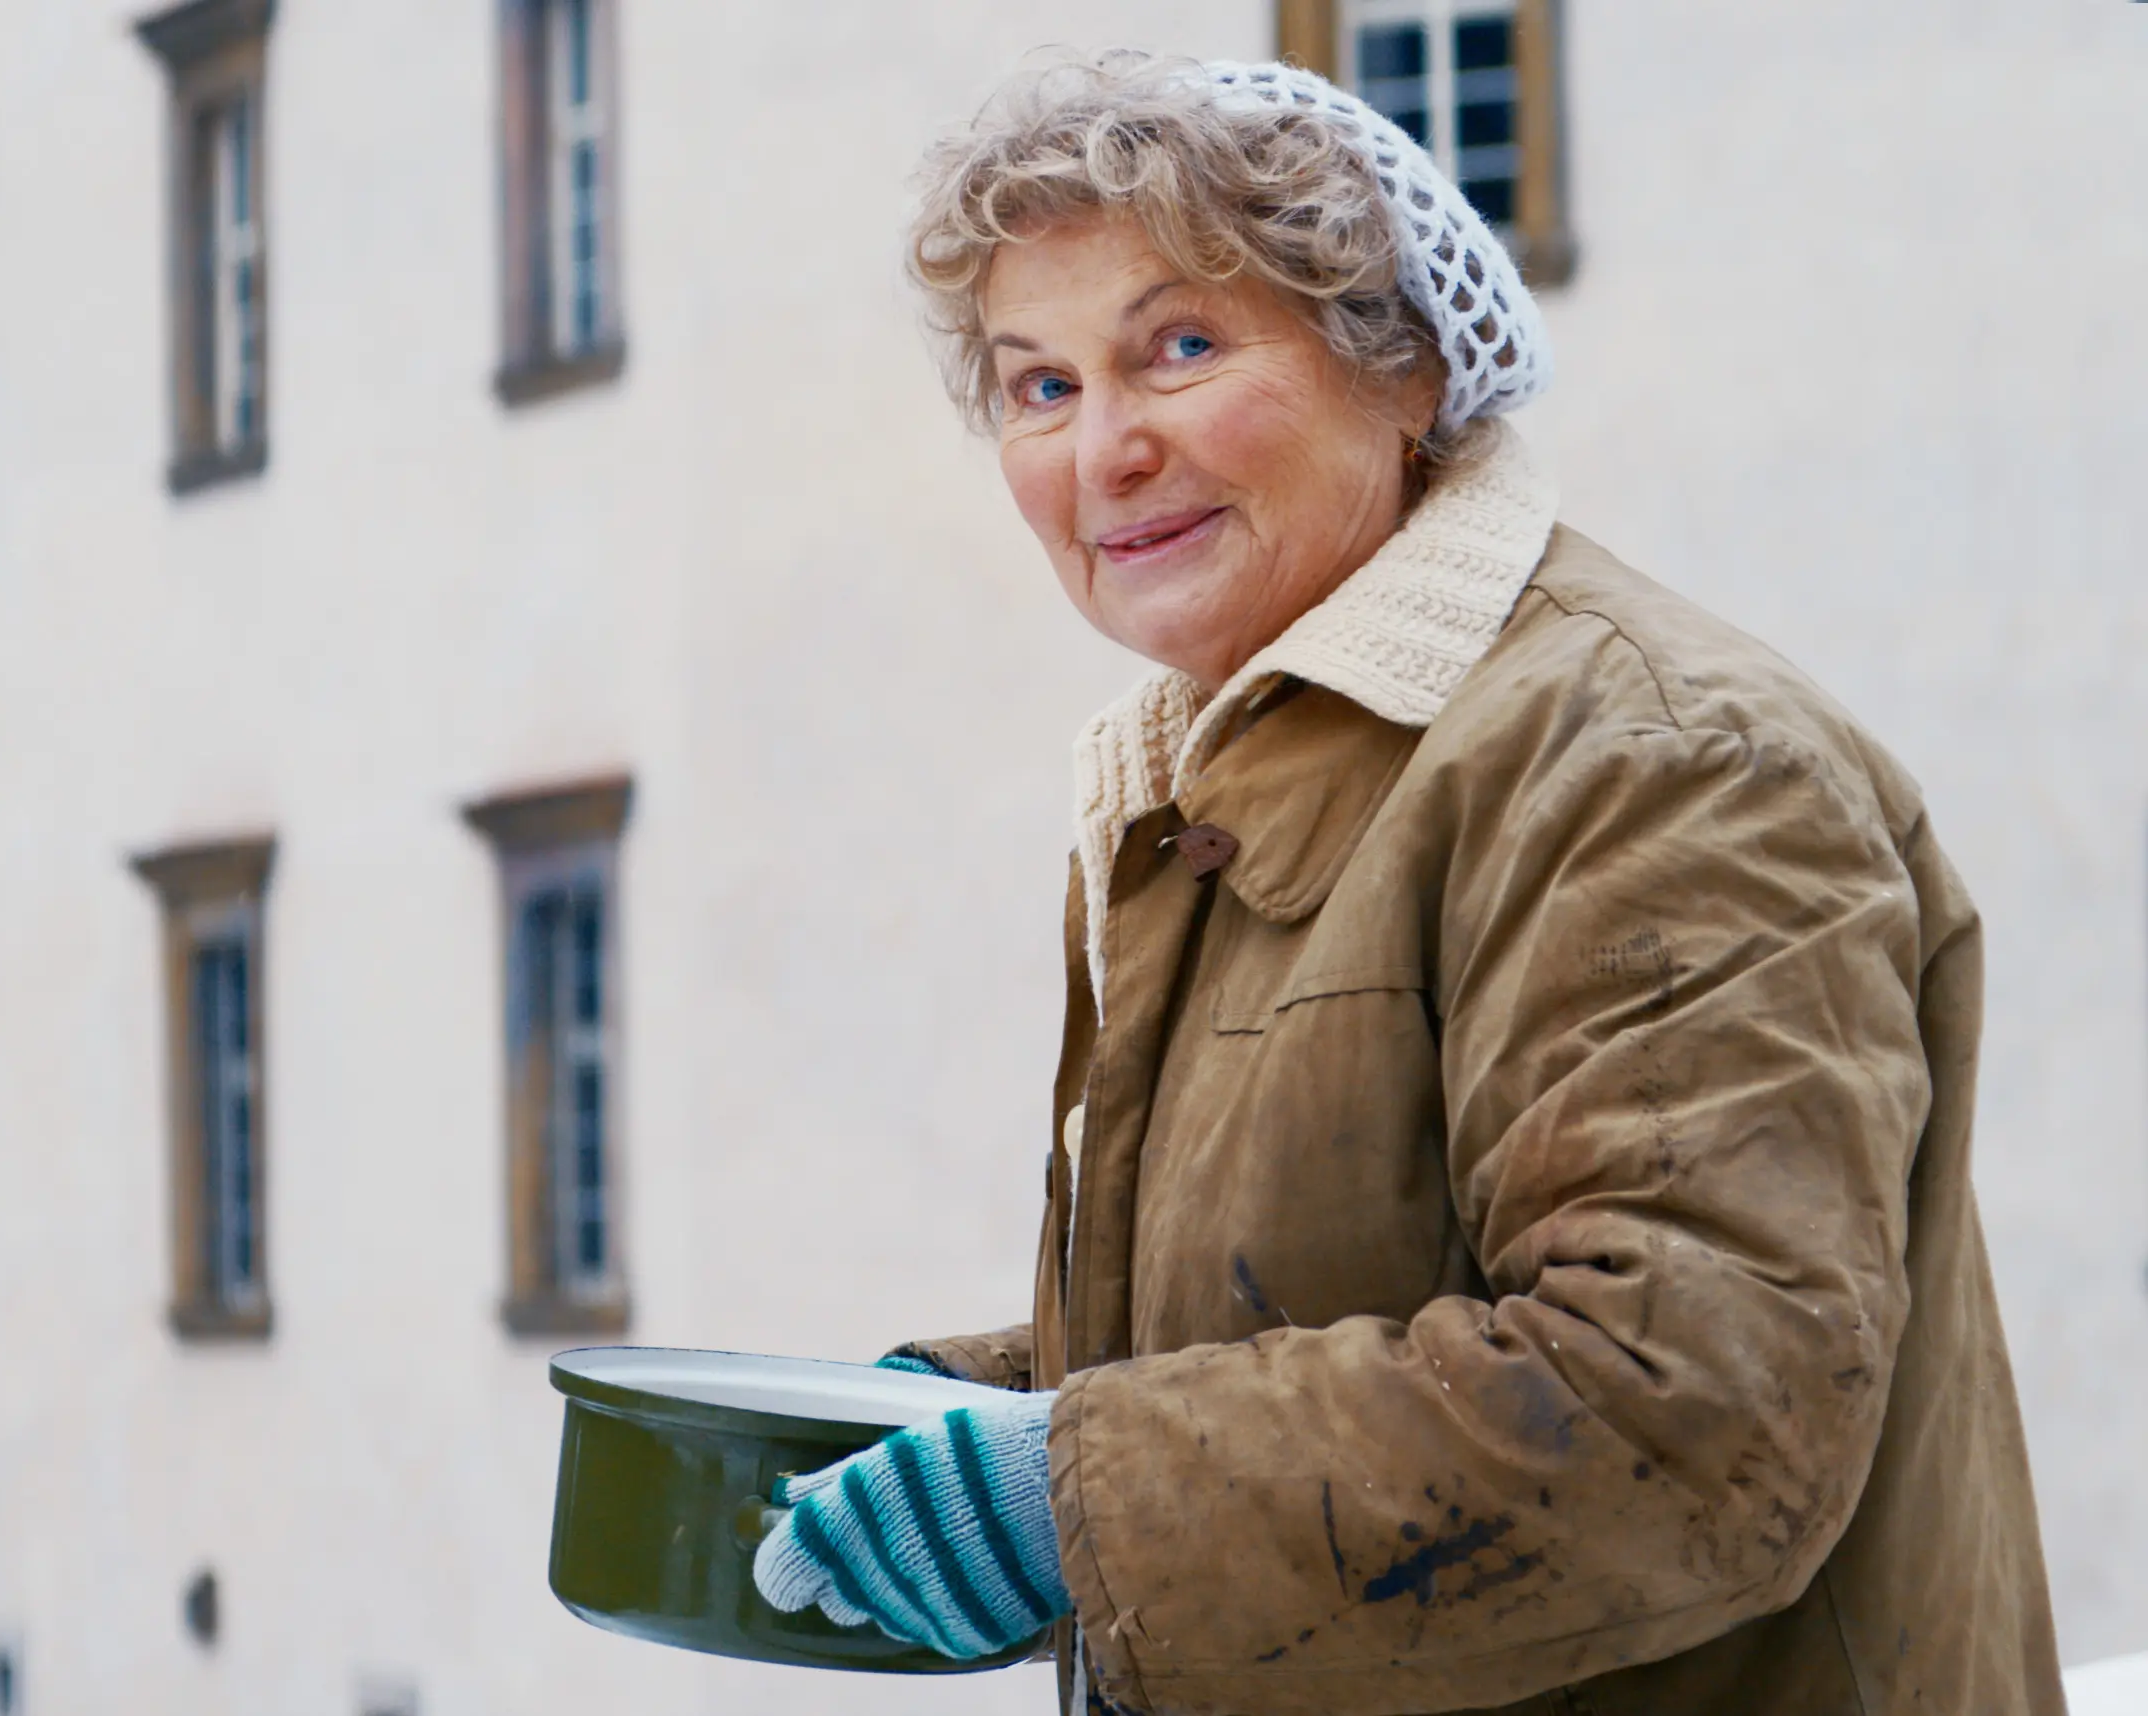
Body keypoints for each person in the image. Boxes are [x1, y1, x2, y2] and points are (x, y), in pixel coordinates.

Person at [750, 50, 2064, 1716]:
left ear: (1405, 376)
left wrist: (1063, 1498)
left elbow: (1688, 1412)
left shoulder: (1651, 759)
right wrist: (963, 1426)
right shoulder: (1229, 777)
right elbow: (1339, 1300)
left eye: (1180, 347)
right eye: (1038, 386)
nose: (1106, 452)